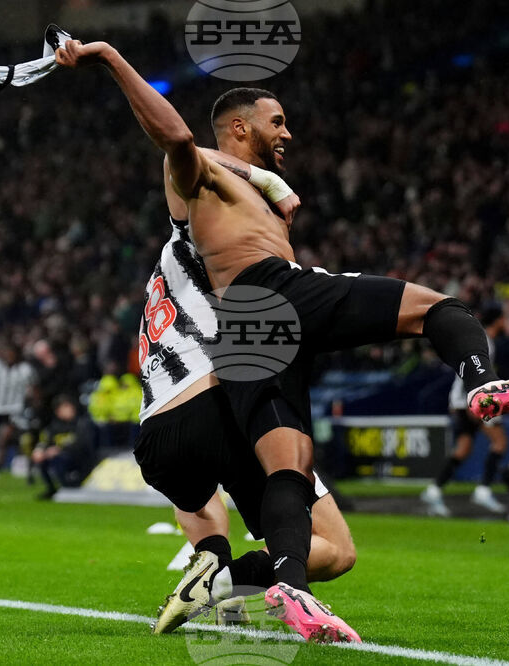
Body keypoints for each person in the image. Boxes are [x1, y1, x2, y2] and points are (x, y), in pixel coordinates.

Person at [54, 40, 509, 642]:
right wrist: (108, 57)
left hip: (255, 326)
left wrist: (265, 182)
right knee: (432, 310)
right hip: (265, 295)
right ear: (240, 127)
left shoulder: (260, 195)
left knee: (293, 467)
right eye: (278, 122)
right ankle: (479, 386)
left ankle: (281, 583)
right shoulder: (198, 179)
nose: (289, 134)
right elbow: (175, 140)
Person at [133, 147, 356, 638]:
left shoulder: (169, 264)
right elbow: (177, 146)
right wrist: (265, 179)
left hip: (155, 437)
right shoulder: (220, 250)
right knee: (334, 548)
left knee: (197, 488)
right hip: (224, 409)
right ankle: (229, 583)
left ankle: (211, 560)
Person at [422, 306, 509, 516]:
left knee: (463, 448)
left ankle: (434, 491)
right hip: (471, 400)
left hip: (462, 401)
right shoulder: (485, 341)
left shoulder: (484, 340)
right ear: (497, 321)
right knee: (500, 442)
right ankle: (484, 490)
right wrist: (473, 402)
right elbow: (468, 373)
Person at [0, 344, 36, 489]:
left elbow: (34, 389)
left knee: (3, 440)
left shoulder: (25, 369)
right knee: (14, 444)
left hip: (16, 411)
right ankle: (29, 472)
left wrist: (31, 404)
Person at [31, 394, 97, 500]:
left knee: (59, 458)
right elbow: (45, 440)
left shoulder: (82, 423)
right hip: (59, 457)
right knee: (44, 460)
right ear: (58, 411)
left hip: (80, 459)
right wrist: (39, 450)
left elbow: (83, 444)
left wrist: (59, 449)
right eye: (65, 407)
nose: (69, 410)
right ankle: (52, 488)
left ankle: (68, 485)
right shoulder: (54, 427)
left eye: (69, 407)